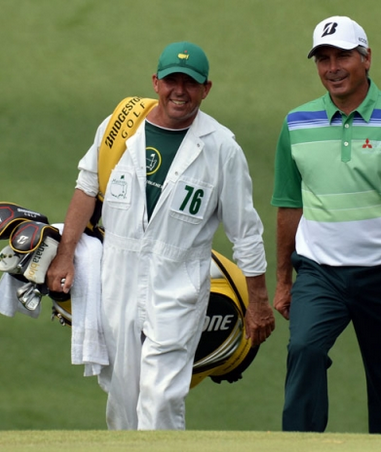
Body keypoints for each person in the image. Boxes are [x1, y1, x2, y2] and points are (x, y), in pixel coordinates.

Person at [46, 41, 275, 430]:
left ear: (207, 89)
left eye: (191, 82)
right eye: (172, 80)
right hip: (117, 277)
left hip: (179, 285)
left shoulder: (222, 149)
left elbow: (246, 233)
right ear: (156, 82)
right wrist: (66, 254)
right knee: (123, 399)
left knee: (161, 398)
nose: (180, 91)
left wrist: (258, 301)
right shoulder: (120, 127)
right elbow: (87, 188)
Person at [271, 16, 381, 434]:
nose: (332, 67)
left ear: (366, 58)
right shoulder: (296, 124)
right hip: (319, 271)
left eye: (343, 56)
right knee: (304, 350)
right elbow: (287, 205)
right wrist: (283, 279)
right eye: (323, 58)